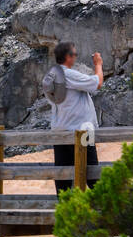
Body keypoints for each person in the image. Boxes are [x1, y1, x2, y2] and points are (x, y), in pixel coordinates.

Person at [44, 41, 104, 194]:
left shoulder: (51, 76)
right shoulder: (68, 74)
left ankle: (65, 213)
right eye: (75, 54)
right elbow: (97, 83)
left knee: (63, 178)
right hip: (82, 130)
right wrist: (98, 64)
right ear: (67, 57)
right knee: (93, 175)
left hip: (60, 132)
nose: (76, 57)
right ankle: (107, 212)